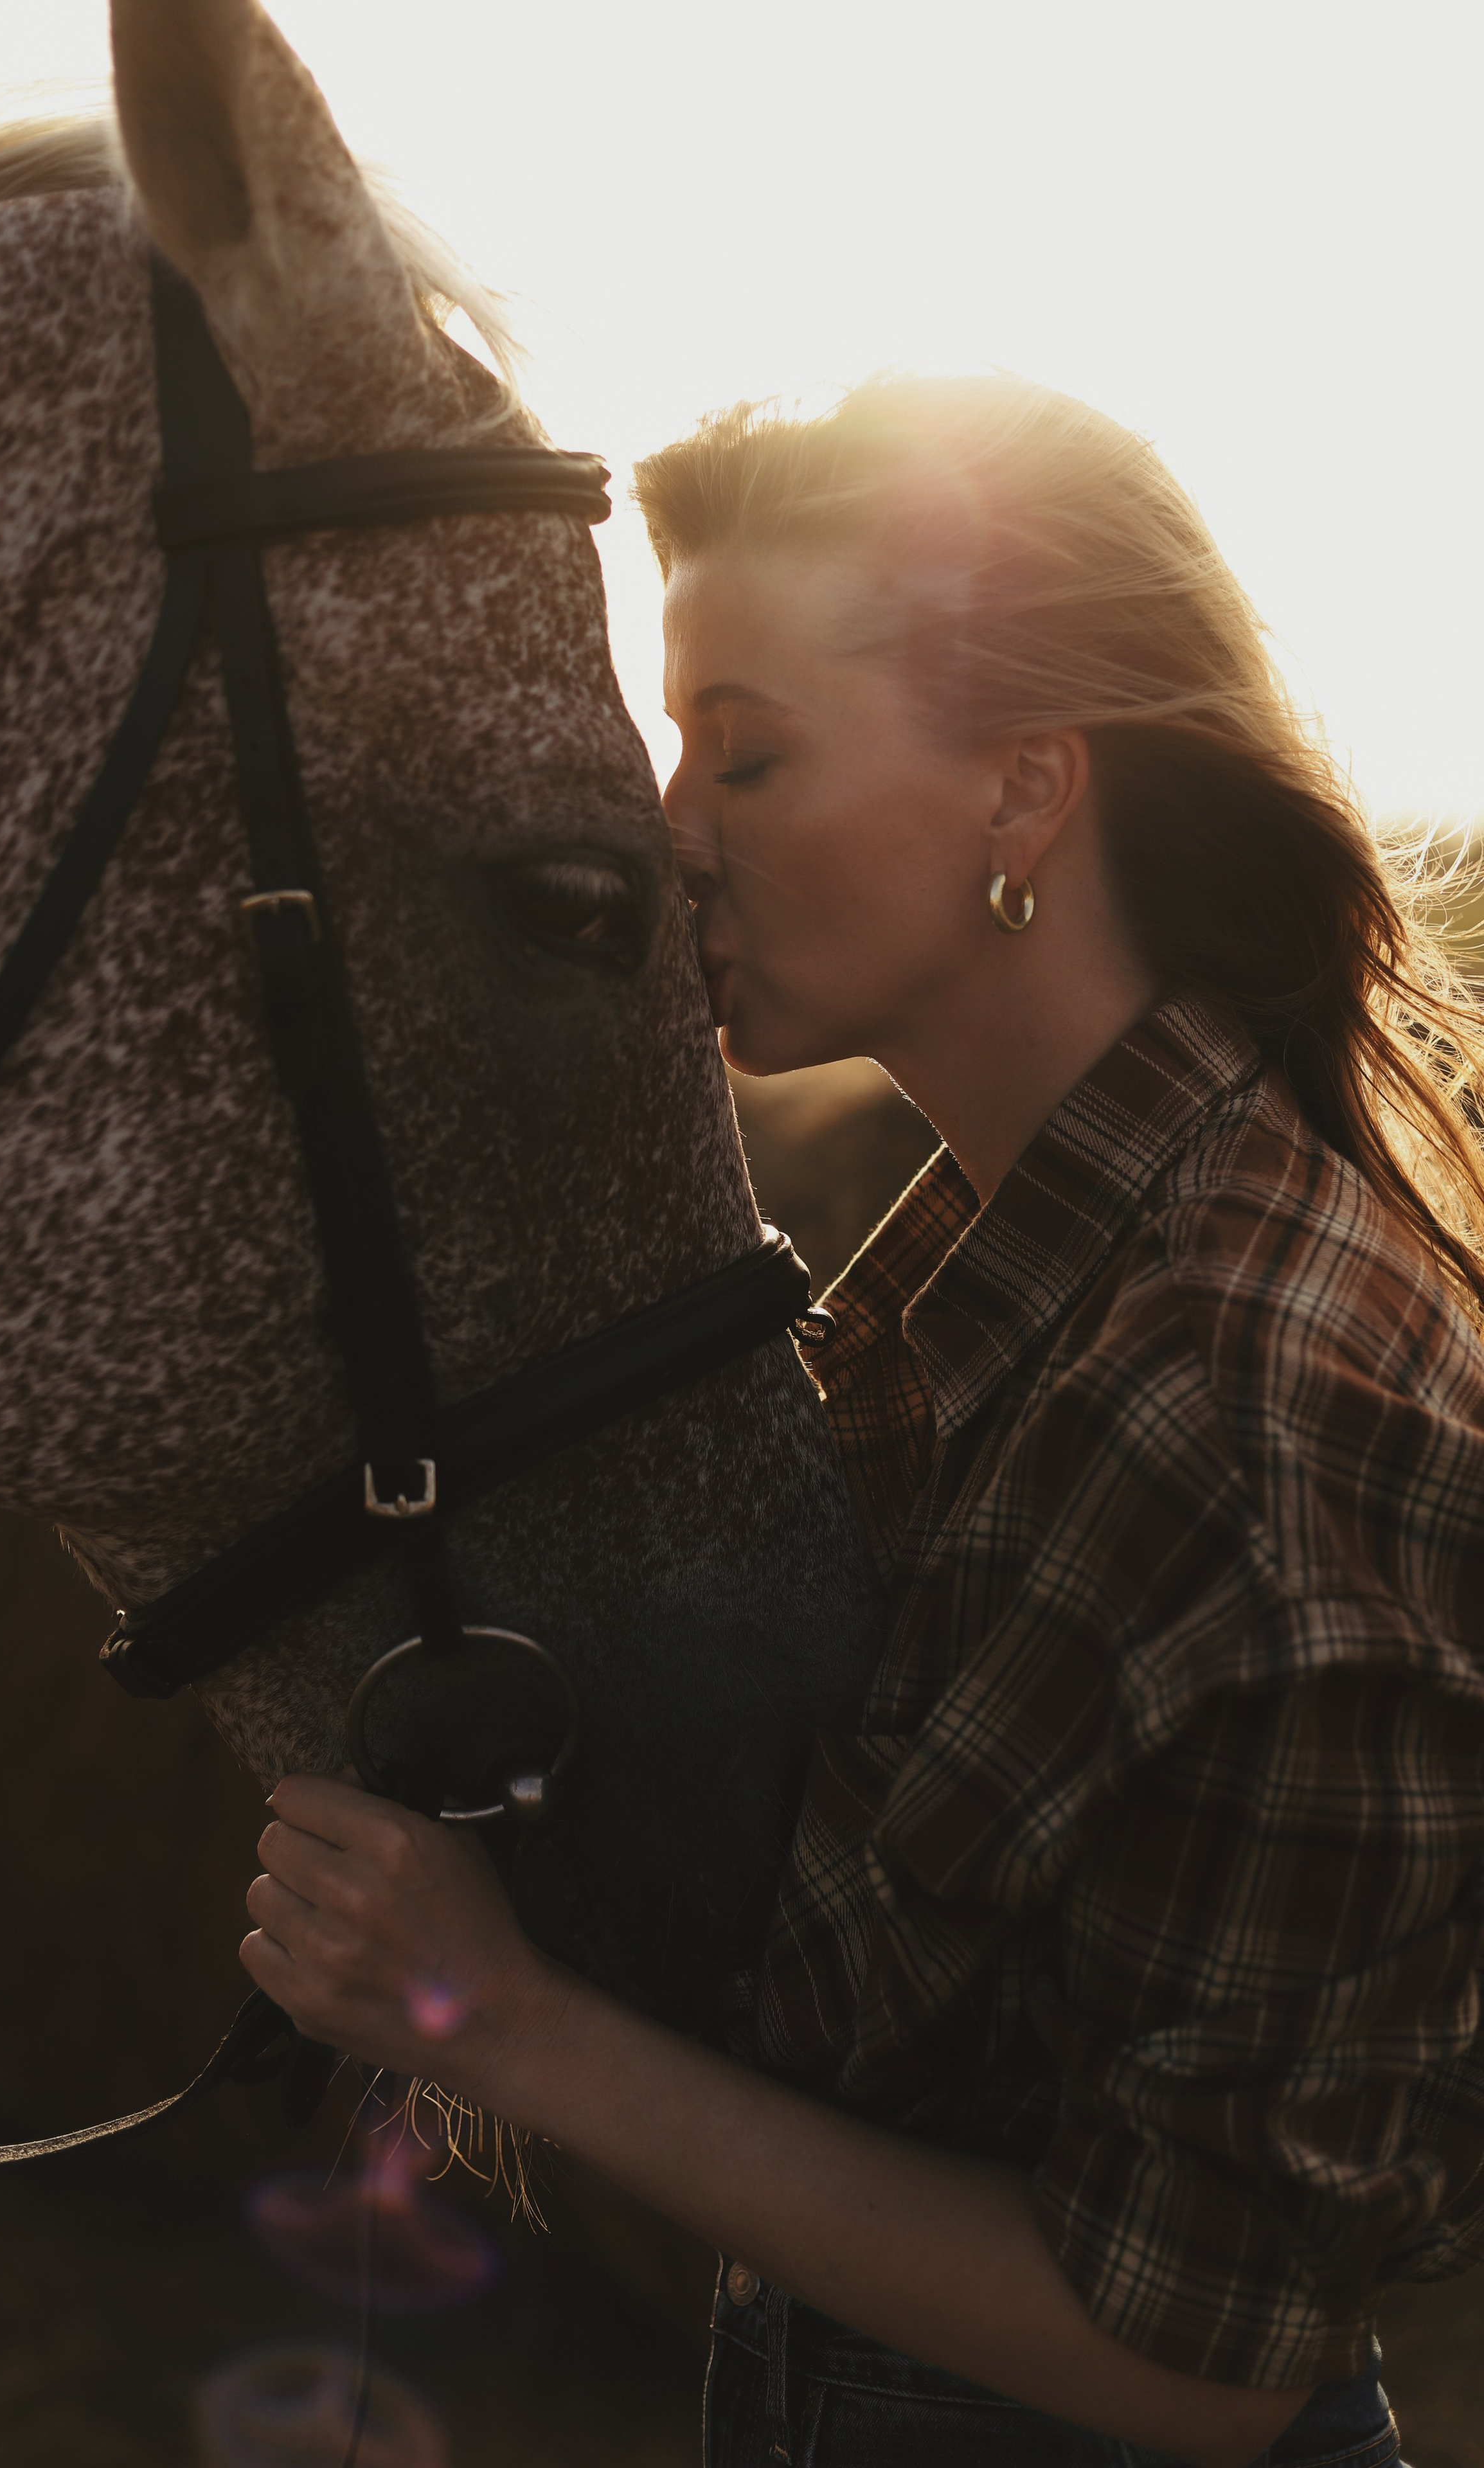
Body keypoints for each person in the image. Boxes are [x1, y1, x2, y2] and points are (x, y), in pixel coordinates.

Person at [239, 377, 1484, 2468]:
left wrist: (510, 2025)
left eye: (750, 749)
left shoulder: (1253, 1415)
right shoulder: (995, 1292)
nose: (670, 828)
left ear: (1023, 794)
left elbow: (1198, 2355)